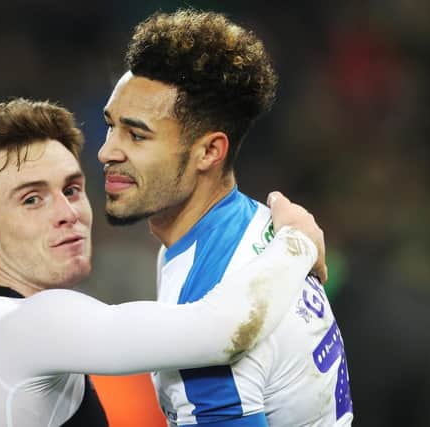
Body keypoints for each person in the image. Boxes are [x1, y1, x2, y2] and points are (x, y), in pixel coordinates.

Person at [0, 98, 327, 427]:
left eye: (71, 189)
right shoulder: (18, 326)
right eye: (32, 199)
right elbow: (222, 331)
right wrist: (296, 241)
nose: (68, 212)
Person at [98, 9, 353, 426]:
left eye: (137, 135)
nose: (107, 151)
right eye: (111, 127)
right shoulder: (258, 225)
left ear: (209, 152)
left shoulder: (205, 308)